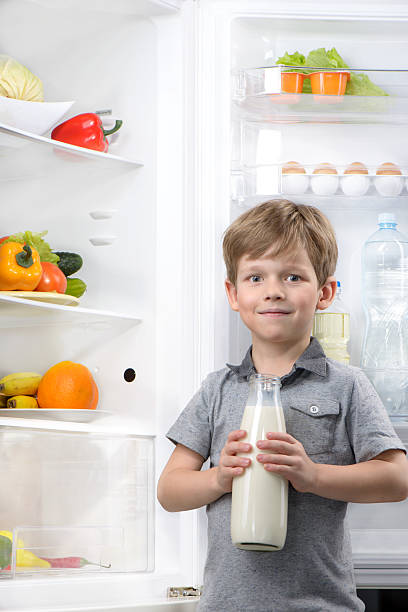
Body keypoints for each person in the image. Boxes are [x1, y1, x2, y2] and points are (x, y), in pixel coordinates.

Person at [157, 199, 408, 612]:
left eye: (293, 276)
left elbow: (395, 479)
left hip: (322, 605)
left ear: (325, 292)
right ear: (233, 294)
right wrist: (220, 478)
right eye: (255, 277)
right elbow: (170, 490)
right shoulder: (217, 389)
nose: (273, 290)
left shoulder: (346, 385)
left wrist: (313, 475)